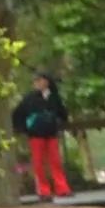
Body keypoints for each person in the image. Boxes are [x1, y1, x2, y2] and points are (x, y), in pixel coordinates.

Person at [12, 65, 73, 200]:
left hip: (51, 134)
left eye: (40, 80)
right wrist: (25, 129)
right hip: (36, 135)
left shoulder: (54, 97)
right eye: (36, 81)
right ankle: (43, 191)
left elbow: (62, 113)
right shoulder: (29, 98)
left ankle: (62, 188)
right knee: (38, 163)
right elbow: (17, 114)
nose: (37, 83)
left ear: (46, 82)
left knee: (55, 161)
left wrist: (58, 122)